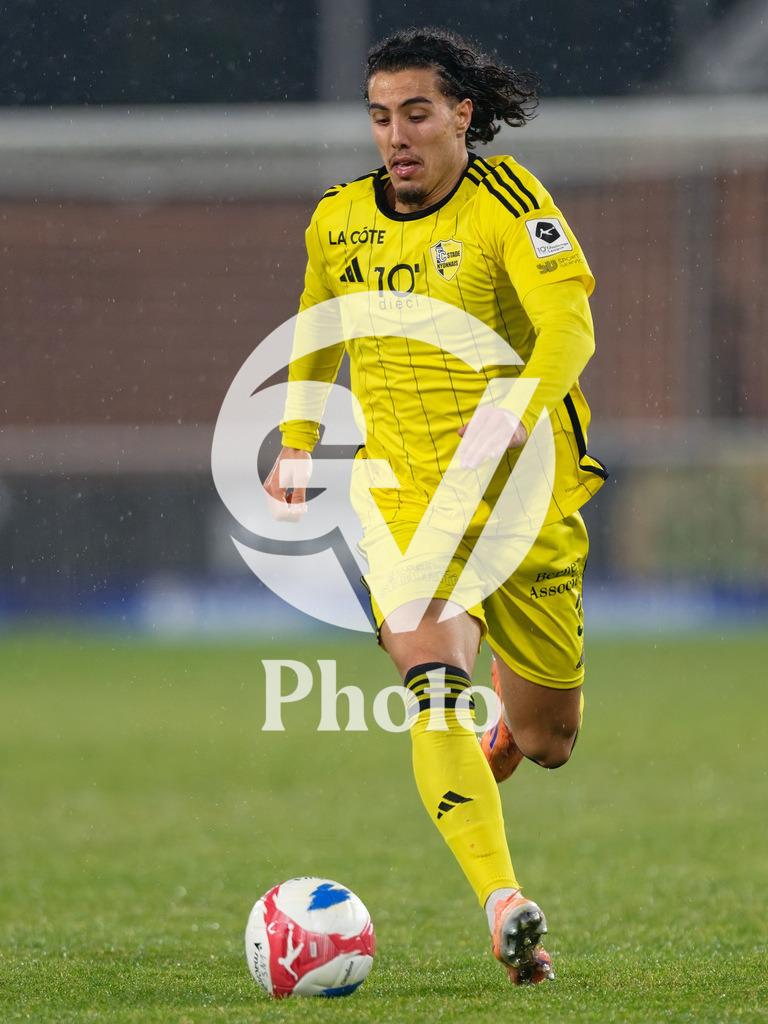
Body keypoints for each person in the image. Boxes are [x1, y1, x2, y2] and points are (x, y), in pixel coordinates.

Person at [263, 26, 607, 986]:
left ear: (462, 114)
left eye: (416, 112)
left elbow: (570, 329)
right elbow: (317, 329)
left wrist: (512, 414)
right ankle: (504, 900)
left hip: (528, 499)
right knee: (433, 686)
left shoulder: (513, 204)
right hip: (406, 501)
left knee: (549, 743)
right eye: (380, 116)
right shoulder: (338, 221)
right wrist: (298, 444)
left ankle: (505, 734)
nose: (396, 135)